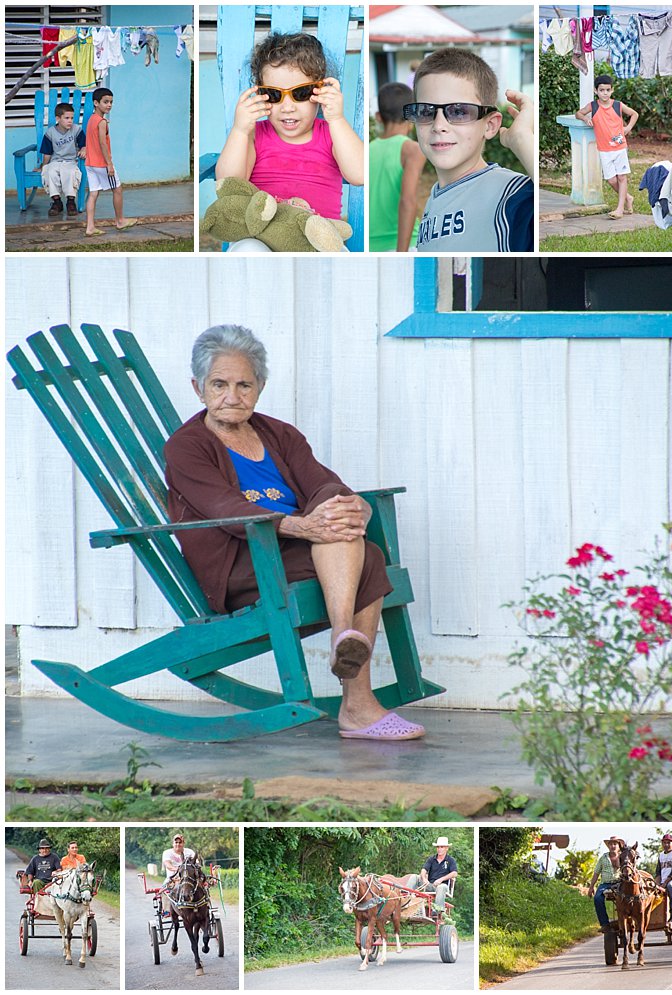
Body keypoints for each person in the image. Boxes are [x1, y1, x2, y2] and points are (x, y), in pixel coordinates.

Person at [163, 325, 425, 742]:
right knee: (362, 552)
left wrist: (352, 504)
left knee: (347, 522)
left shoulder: (279, 434)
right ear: (198, 388)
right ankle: (355, 699)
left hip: (296, 550)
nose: (233, 396)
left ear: (260, 387)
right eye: (220, 384)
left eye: (244, 384)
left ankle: (345, 645)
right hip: (243, 563)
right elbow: (224, 509)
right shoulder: (187, 446)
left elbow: (321, 482)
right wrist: (303, 525)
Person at [215, 31, 363, 250]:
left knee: (337, 255)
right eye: (274, 94)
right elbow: (229, 185)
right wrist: (239, 131)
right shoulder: (254, 135)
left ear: (320, 92)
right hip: (260, 238)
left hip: (317, 239)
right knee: (248, 250)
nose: (287, 106)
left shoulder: (331, 134)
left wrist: (337, 119)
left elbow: (359, 174)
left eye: (301, 93)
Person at [403, 47, 534, 252]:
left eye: (458, 112)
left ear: (490, 125)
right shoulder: (435, 198)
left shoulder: (512, 195)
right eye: (426, 111)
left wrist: (522, 139)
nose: (439, 125)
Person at [369, 82, 426, 251]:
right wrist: (402, 253)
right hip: (404, 243)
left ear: (379, 116)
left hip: (371, 246)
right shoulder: (412, 150)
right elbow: (408, 201)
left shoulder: (367, 149)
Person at [575, 74, 639, 219]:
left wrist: (628, 127)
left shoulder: (618, 105)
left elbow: (634, 114)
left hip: (620, 147)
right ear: (596, 91)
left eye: (607, 90)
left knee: (622, 177)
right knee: (611, 180)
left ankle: (620, 208)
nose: (605, 93)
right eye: (602, 90)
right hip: (604, 149)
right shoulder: (593, 106)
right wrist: (585, 118)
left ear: (612, 90)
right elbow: (578, 113)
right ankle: (628, 197)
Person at [84, 87, 137, 237]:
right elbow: (102, 143)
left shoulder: (92, 120)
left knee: (93, 193)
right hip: (101, 164)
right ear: (96, 103)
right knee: (117, 189)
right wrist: (109, 164)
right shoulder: (101, 122)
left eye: (111, 102)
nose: (109, 105)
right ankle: (120, 221)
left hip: (90, 164)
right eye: (105, 102)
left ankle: (90, 227)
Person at [36, 102, 86, 217]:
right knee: (50, 172)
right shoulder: (50, 133)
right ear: (58, 118)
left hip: (71, 161)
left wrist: (84, 149)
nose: (70, 121)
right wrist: (43, 166)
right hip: (55, 161)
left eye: (72, 118)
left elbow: (84, 144)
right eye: (66, 118)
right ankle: (57, 202)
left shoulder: (76, 130)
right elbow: (47, 153)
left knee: (70, 173)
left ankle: (70, 201)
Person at [407, 836, 458, 911]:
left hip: (442, 886)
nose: (439, 849)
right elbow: (424, 870)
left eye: (442, 847)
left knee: (441, 887)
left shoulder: (450, 860)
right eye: (438, 847)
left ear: (446, 848)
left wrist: (441, 879)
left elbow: (454, 873)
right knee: (414, 876)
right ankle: (406, 898)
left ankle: (438, 909)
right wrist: (424, 879)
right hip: (430, 885)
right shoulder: (432, 859)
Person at [588, 835, 623, 932]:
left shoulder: (623, 856)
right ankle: (605, 924)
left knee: (628, 896)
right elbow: (596, 873)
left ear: (618, 845)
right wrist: (591, 887)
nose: (613, 846)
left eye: (615, 844)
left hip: (619, 883)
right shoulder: (603, 858)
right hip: (605, 884)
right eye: (611, 844)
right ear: (608, 846)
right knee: (597, 898)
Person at [161, 832, 196, 913]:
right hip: (173, 879)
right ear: (173, 843)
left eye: (180, 842)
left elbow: (196, 863)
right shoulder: (167, 853)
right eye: (176, 842)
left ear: (183, 843)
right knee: (165, 889)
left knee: (202, 887)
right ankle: (167, 911)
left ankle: (205, 906)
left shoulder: (189, 852)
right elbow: (168, 865)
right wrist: (179, 869)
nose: (178, 844)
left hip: (189, 878)